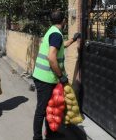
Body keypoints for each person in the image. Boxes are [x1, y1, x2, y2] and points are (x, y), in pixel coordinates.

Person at [32, 10, 81, 140]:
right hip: (45, 79)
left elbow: (61, 45)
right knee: (41, 110)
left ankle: (51, 133)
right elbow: (51, 58)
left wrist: (73, 39)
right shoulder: (56, 34)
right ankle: (37, 137)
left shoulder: (53, 31)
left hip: (45, 77)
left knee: (50, 106)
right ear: (64, 21)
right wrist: (61, 76)